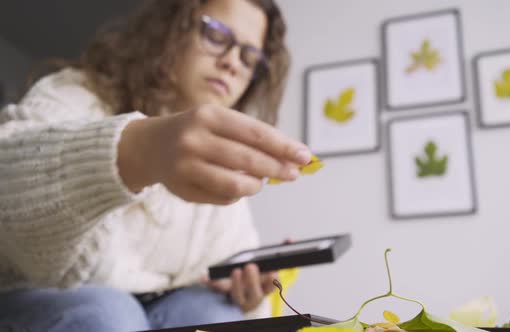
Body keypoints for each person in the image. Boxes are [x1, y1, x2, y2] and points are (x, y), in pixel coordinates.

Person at [0, 0, 312, 331]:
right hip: (34, 296)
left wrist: (248, 295)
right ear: (168, 29)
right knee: (109, 313)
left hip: (155, 308)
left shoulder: (223, 174)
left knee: (214, 314)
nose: (233, 63)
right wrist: (135, 151)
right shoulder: (76, 94)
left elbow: (238, 269)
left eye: (250, 58)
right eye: (216, 35)